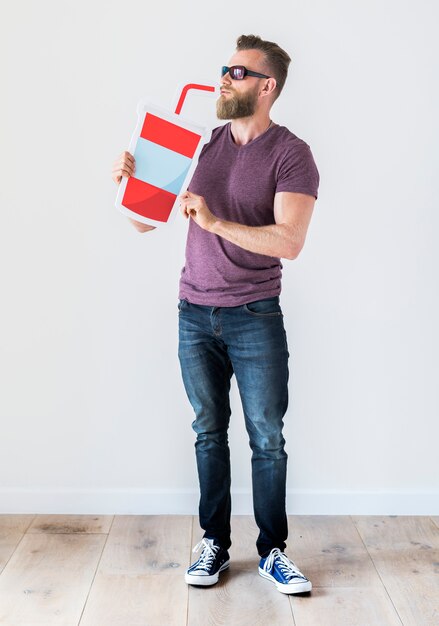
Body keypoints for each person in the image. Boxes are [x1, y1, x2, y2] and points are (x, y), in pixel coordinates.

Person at [112, 34, 319, 595]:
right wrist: (132, 186)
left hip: (255, 315)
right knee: (208, 432)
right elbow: (145, 223)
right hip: (193, 313)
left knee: (266, 437)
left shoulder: (290, 154)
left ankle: (274, 551)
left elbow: (290, 241)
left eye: (238, 71)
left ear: (267, 86)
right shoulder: (200, 145)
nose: (224, 78)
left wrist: (216, 223)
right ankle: (214, 545)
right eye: (224, 69)